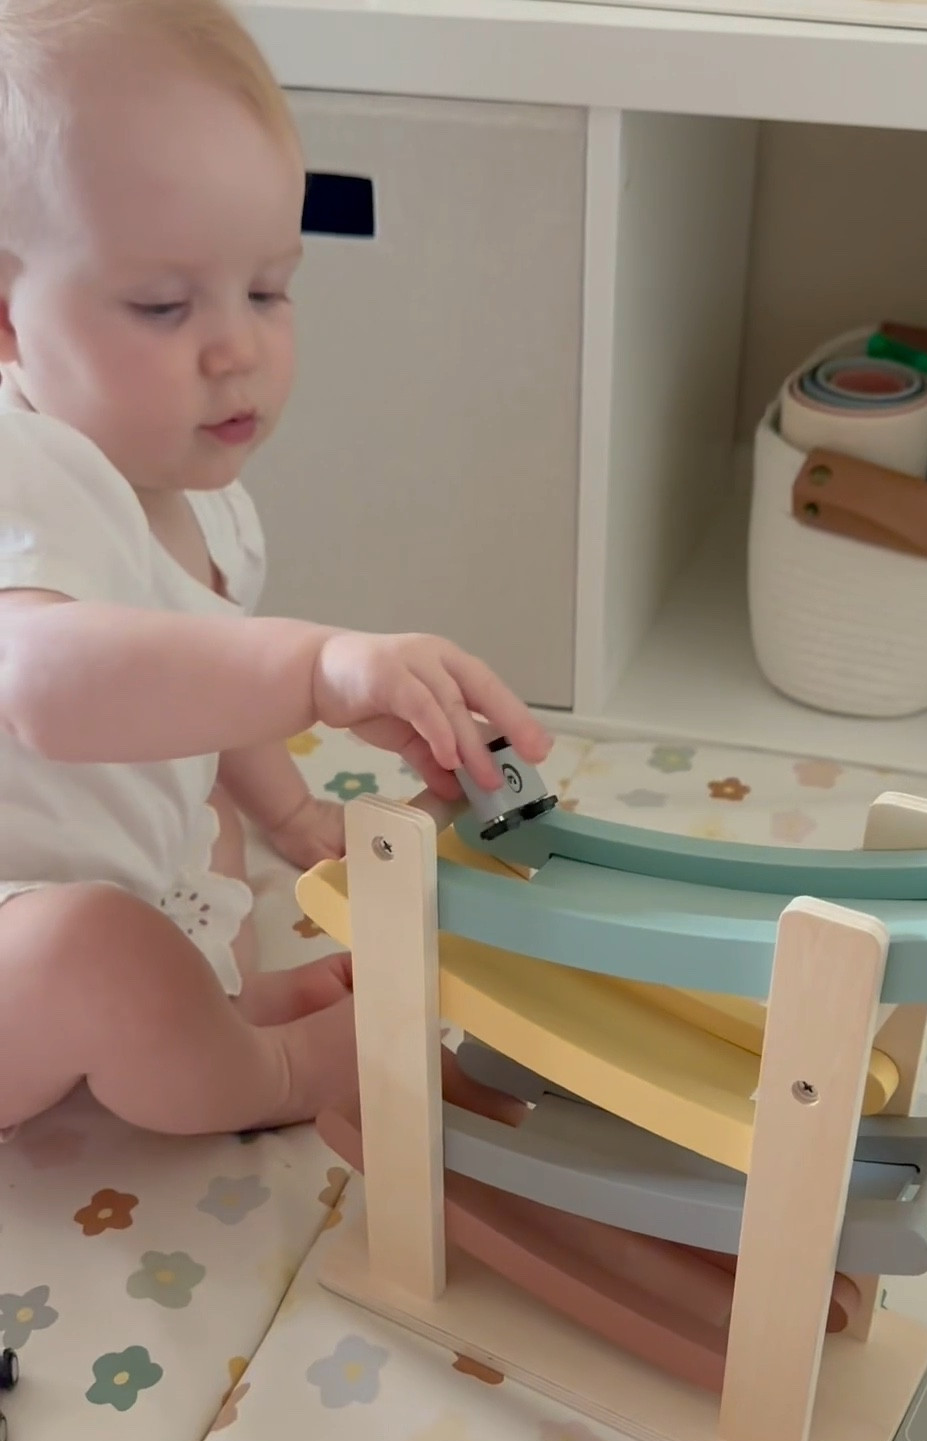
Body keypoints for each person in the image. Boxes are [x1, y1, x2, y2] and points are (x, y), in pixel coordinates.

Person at [0, 0, 549, 1138]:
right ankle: (276, 1077)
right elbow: (48, 683)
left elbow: (189, 683)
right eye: (163, 304)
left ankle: (208, 1008)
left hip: (115, 871)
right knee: (91, 949)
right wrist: (315, 667)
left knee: (216, 838)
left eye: (267, 289)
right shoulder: (24, 467)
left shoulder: (202, 501)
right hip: (22, 920)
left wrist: (296, 814)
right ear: (7, 319)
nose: (237, 347)